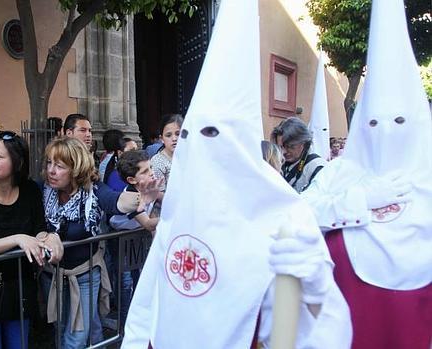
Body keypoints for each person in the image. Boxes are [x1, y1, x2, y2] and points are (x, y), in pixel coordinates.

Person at [123, 1, 351, 347]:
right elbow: (147, 303)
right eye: (189, 137)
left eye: (213, 135)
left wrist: (316, 290)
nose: (199, 147)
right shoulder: (183, 208)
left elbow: (326, 334)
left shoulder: (287, 216)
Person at [302, 1, 431, 347]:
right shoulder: (340, 173)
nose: (385, 133)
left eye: (399, 121)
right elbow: (296, 215)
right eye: (373, 123)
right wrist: (357, 202)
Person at [40, 137, 155, 349]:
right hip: (52, 275)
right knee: (64, 329)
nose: (51, 171)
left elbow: (116, 201)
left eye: (59, 165)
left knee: (76, 338)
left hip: (85, 274)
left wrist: (141, 199)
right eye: (49, 163)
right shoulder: (43, 190)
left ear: (76, 168)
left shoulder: (94, 190)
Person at [0, 130, 61, 349]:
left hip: (21, 287)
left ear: (17, 162)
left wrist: (48, 238)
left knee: (19, 344)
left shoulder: (31, 190)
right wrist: (17, 239)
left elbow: (39, 229)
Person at [271, 116, 327, 192]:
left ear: (304, 142)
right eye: (280, 147)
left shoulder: (317, 167)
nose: (284, 152)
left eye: (290, 146)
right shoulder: (280, 163)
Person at [150, 114, 183, 191]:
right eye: (168, 135)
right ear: (162, 139)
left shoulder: (191, 157)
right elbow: (158, 193)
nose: (174, 139)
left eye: (178, 134)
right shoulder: (157, 162)